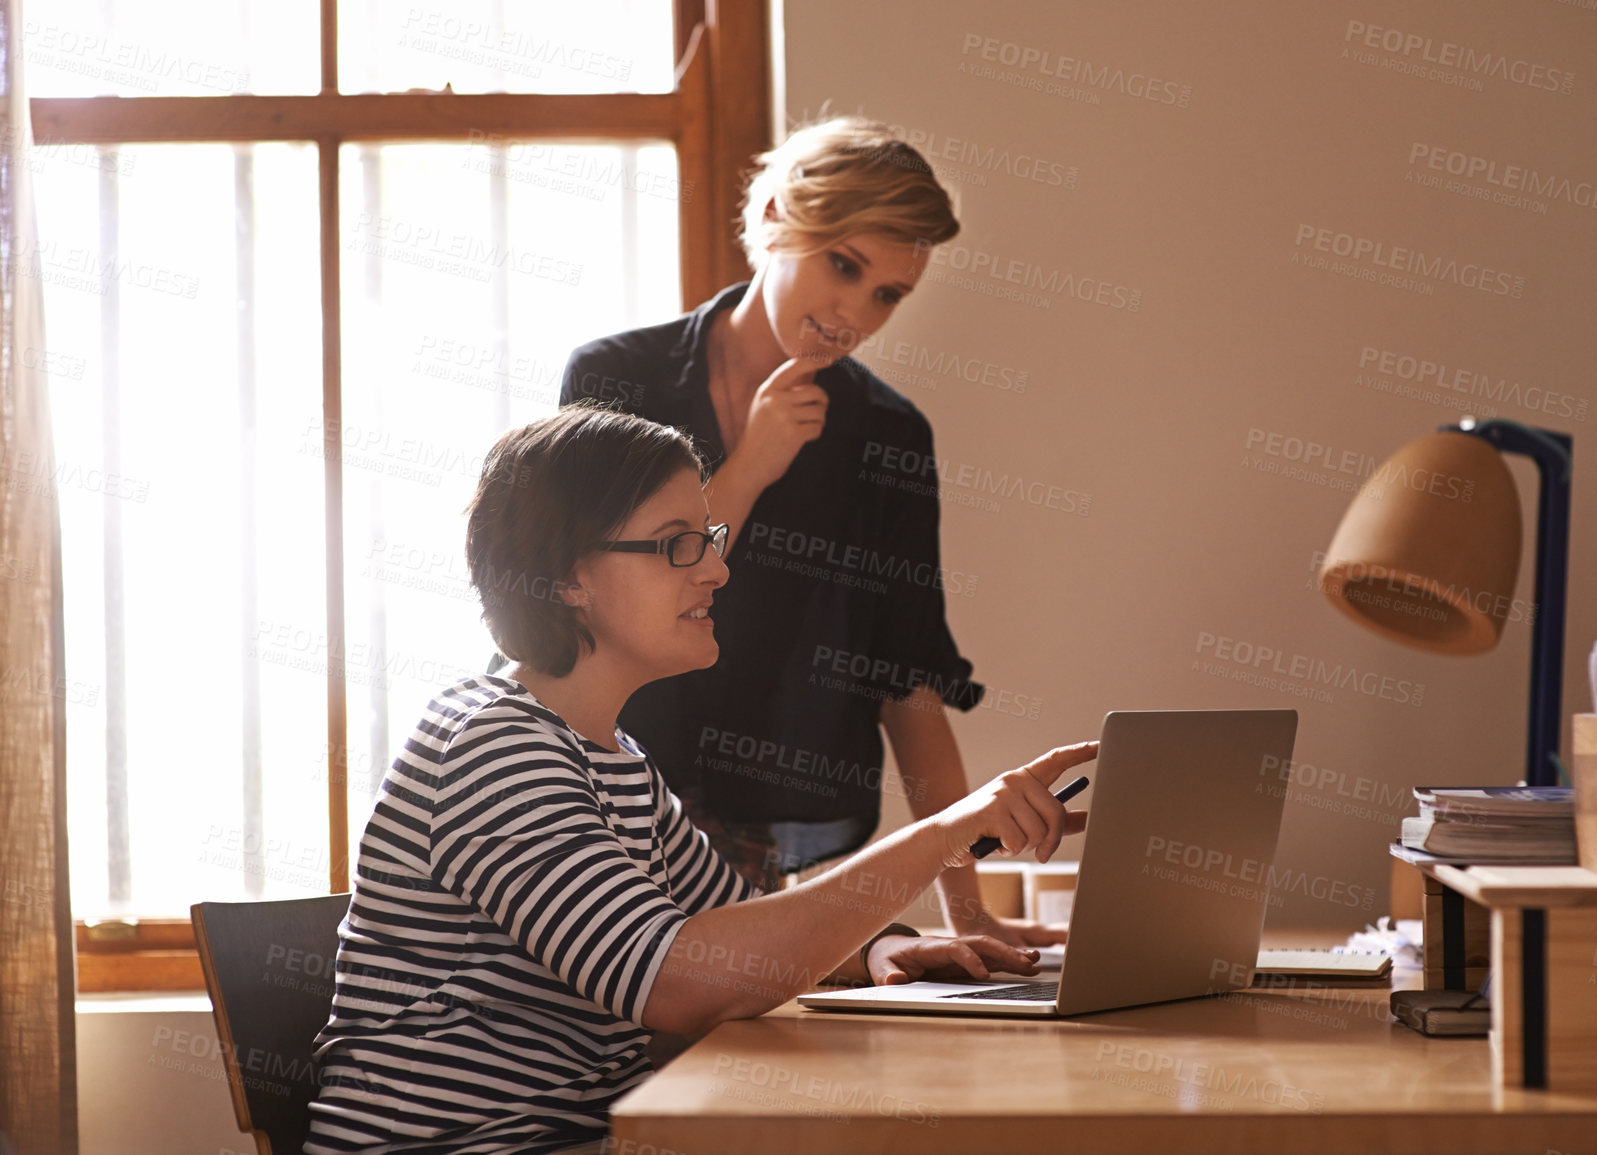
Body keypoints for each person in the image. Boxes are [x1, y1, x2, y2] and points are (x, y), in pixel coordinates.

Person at [305, 405, 1094, 1154]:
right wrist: (942, 832)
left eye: (708, 537)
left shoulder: (609, 757)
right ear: (568, 576)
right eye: (677, 543)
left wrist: (882, 946)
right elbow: (678, 981)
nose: (716, 568)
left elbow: (737, 925)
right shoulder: (491, 747)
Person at [559, 117, 1059, 944]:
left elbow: (908, 684)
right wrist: (750, 463)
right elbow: (599, 592)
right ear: (773, 223)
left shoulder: (888, 436)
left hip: (742, 853)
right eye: (844, 265)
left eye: (886, 294)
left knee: (734, 1063)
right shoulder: (615, 377)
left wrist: (970, 913)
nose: (853, 312)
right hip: (586, 808)